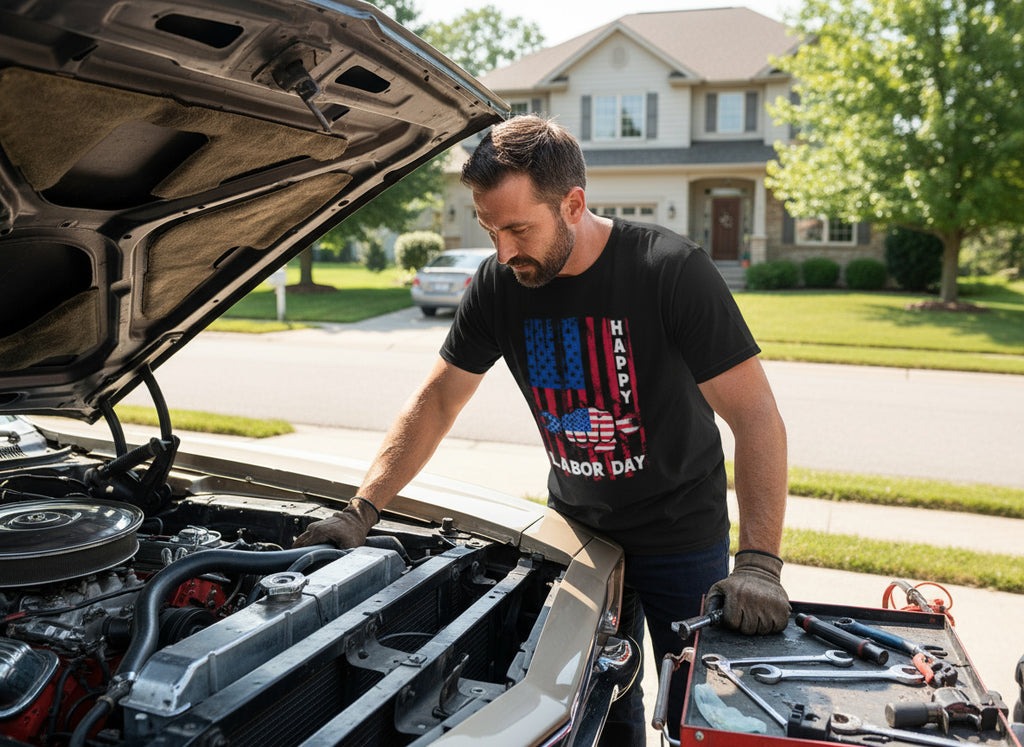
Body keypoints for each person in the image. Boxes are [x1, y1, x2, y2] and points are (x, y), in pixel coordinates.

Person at [294, 114, 790, 744]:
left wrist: (760, 564)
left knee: (705, 708)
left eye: (519, 228)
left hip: (680, 535)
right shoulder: (500, 285)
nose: (503, 251)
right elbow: (439, 400)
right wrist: (362, 510)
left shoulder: (669, 270)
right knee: (601, 700)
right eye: (489, 228)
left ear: (574, 204)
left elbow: (756, 416)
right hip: (577, 535)